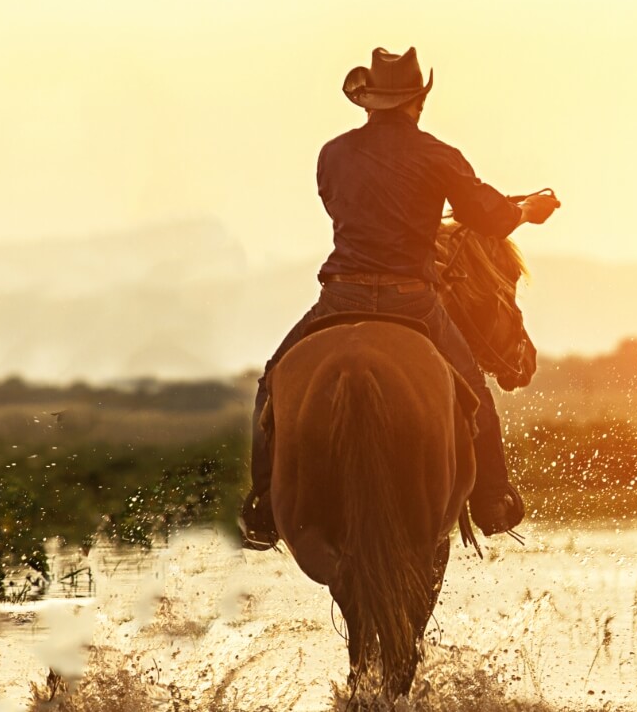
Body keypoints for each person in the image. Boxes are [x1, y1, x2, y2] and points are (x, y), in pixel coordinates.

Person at [240, 46, 560, 551]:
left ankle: (260, 506)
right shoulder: (438, 155)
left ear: (369, 102)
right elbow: (491, 218)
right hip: (411, 302)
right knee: (473, 395)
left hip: (339, 297)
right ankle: (493, 501)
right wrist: (527, 212)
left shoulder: (333, 154)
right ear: (418, 101)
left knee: (270, 388)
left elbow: (343, 206)